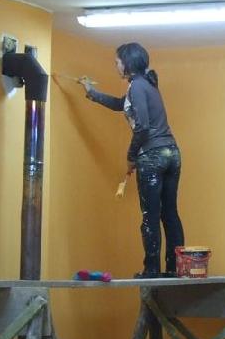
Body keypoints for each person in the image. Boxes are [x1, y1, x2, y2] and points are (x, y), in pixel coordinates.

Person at [79, 42, 184, 278]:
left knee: (150, 216)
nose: (115, 65)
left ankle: (152, 270)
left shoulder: (136, 86)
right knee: (170, 214)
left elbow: (143, 126)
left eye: (117, 62)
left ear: (127, 63)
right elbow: (121, 104)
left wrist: (131, 156)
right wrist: (91, 92)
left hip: (153, 156)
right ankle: (175, 270)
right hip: (172, 153)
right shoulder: (146, 84)